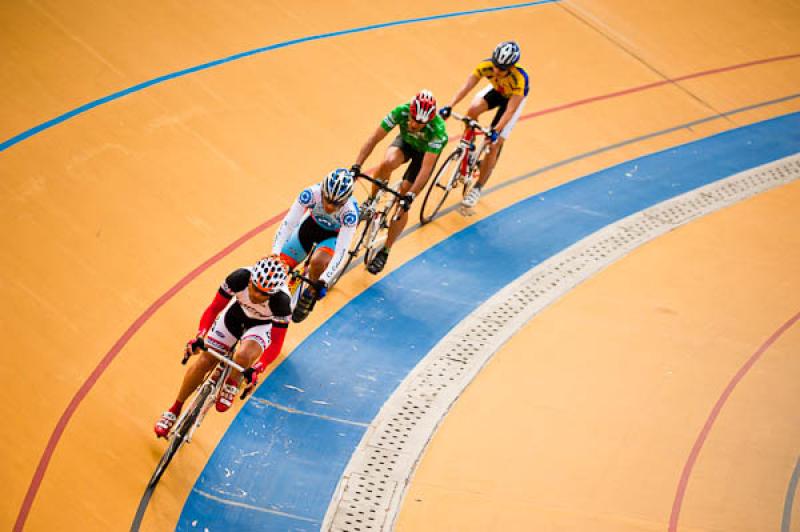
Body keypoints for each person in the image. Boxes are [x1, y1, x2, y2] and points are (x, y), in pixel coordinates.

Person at [154, 255, 291, 438]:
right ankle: (174, 409)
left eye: (264, 294)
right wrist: (200, 336)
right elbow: (214, 308)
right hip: (235, 316)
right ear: (250, 280)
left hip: (260, 326)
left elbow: (276, 343)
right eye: (255, 289)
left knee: (243, 356)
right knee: (205, 359)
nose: (257, 295)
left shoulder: (282, 302)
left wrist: (258, 368)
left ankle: (232, 382)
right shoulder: (239, 277)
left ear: (273, 293)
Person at [350, 89, 448, 274]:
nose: (413, 124)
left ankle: (385, 250)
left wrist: (410, 196)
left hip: (424, 155)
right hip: (405, 143)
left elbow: (426, 169)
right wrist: (357, 165)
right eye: (412, 118)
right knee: (387, 162)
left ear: (428, 120)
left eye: (419, 123)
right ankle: (371, 201)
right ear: (410, 111)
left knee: (402, 201)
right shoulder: (400, 111)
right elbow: (374, 138)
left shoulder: (438, 131)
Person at [438, 41, 529, 208]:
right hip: (497, 91)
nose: (496, 70)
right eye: (495, 65)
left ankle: (477, 188)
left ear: (510, 67)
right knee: (472, 111)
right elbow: (467, 86)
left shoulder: (519, 79)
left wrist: (495, 131)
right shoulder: (485, 66)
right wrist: (449, 106)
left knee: (493, 144)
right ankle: (470, 150)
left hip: (512, 101)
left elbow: (509, 111)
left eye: (501, 69)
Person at [272, 167, 358, 322]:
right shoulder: (310, 194)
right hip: (309, 228)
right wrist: (275, 253)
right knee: (277, 268)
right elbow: (288, 224)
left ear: (346, 200)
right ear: (322, 191)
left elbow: (341, 251)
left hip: (332, 237)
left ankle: (310, 293)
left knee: (317, 262)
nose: (330, 207)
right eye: (327, 199)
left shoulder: (350, 214)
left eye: (336, 203)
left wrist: (323, 280)